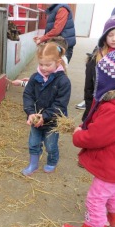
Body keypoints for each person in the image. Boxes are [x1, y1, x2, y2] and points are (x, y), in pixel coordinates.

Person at [62, 43, 115, 227]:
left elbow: (96, 137)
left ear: (112, 79)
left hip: (113, 164)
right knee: (111, 190)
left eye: (102, 75)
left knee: (96, 197)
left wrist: (78, 135)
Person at [21, 41, 71, 175]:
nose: (43, 68)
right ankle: (33, 164)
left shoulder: (63, 81)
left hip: (53, 121)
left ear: (58, 62)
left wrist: (45, 116)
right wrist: (30, 112)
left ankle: (52, 161)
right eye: (41, 64)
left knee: (50, 145)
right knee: (33, 142)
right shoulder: (35, 77)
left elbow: (60, 104)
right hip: (35, 119)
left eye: (48, 65)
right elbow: (28, 94)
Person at [76, 5, 115, 113]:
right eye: (110, 34)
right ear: (104, 35)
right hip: (96, 103)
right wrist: (88, 112)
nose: (114, 39)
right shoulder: (96, 56)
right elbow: (89, 87)